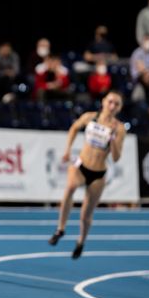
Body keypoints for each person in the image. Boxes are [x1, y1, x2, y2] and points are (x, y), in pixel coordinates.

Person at [48, 90, 125, 259]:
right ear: (103, 101)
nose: (112, 106)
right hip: (81, 164)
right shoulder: (90, 117)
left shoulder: (119, 128)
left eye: (116, 104)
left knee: (86, 214)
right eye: (110, 101)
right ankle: (60, 229)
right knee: (70, 187)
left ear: (119, 108)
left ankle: (81, 241)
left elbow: (116, 157)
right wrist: (67, 149)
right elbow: (74, 128)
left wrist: (112, 139)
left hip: (98, 173)